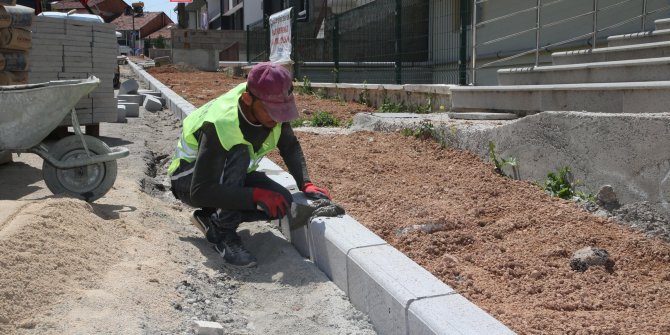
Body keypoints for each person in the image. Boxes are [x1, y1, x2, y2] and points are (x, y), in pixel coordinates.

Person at [168, 62, 331, 267]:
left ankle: (211, 219)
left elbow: (289, 145)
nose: (277, 118)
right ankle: (224, 233)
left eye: (282, 110)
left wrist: (305, 183)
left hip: (229, 173)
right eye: (272, 111)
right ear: (247, 99)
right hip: (188, 178)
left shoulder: (270, 101)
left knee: (281, 202)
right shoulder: (221, 124)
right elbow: (201, 191)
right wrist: (255, 195)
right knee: (240, 151)